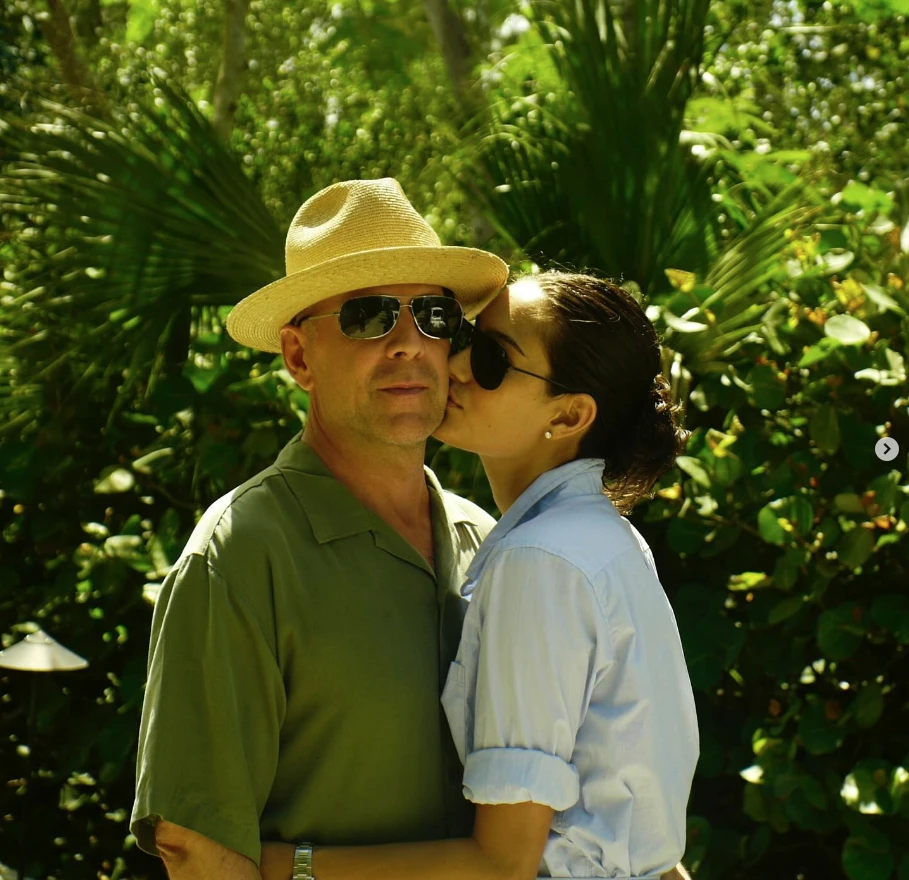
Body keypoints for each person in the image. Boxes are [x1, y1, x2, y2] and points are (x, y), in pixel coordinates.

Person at [257, 271, 699, 880]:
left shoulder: (539, 563)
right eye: (464, 336)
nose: (455, 365)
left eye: (493, 360)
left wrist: (288, 867)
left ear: (569, 415)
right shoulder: (610, 542)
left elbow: (502, 863)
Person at [129, 176, 509, 879]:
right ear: (299, 356)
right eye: (369, 316)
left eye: (431, 313)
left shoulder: (486, 539)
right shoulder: (239, 553)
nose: (408, 343)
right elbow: (200, 848)